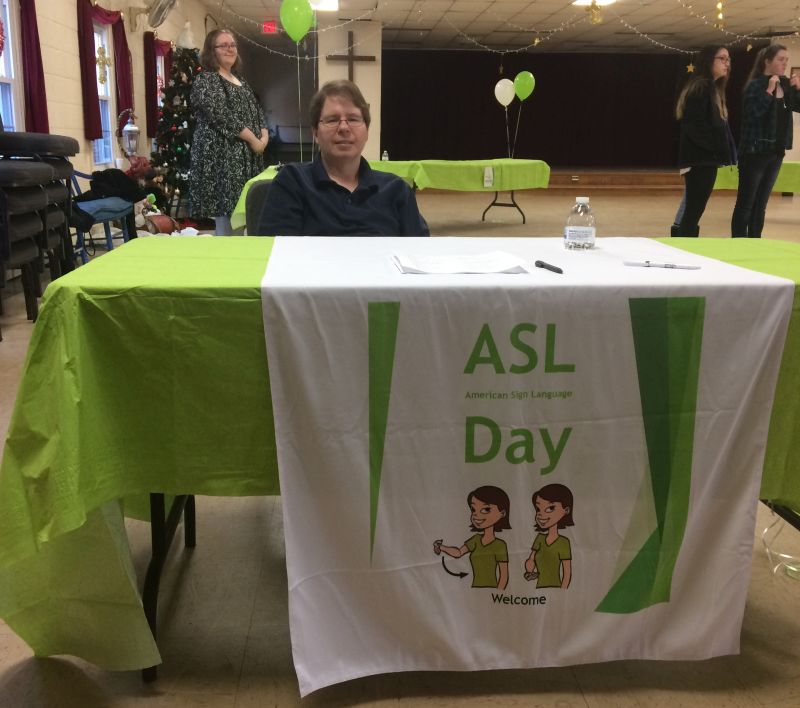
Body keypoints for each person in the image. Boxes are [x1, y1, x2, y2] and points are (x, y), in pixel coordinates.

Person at [256, 80, 428, 236]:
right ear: (315, 132)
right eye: (332, 120)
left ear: (367, 131)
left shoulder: (397, 190)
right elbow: (277, 257)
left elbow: (419, 255)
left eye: (353, 119)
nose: (344, 128)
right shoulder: (292, 182)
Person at [189, 29, 268, 235]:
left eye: (232, 45)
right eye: (223, 45)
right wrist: (253, 140)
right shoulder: (207, 80)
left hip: (247, 157)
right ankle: (227, 260)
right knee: (229, 219)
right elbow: (222, 116)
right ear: (211, 50)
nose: (229, 49)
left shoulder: (239, 79)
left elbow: (257, 111)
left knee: (245, 213)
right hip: (223, 159)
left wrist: (264, 136)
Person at [731, 44, 800, 238]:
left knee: (761, 203)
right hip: (755, 151)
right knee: (746, 202)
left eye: (786, 60)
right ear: (767, 61)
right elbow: (753, 114)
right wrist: (769, 91)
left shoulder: (785, 85)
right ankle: (737, 242)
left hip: (776, 151)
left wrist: (798, 89)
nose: (784, 64)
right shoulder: (755, 85)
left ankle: (755, 241)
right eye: (780, 59)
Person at [670, 45, 735, 238]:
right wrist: (715, 150)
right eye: (722, 59)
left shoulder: (712, 88)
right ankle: (684, 247)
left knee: (692, 208)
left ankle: (683, 243)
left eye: (728, 59)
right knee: (694, 210)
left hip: (704, 159)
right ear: (709, 61)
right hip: (700, 159)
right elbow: (694, 127)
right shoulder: (702, 87)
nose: (727, 63)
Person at [433, 485, 510, 590]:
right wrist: (441, 547)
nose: (476, 515)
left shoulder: (500, 545)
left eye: (486, 509)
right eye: (473, 509)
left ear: (502, 513)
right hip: (475, 591)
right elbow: (459, 553)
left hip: (492, 592)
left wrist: (499, 595)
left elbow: (504, 576)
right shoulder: (475, 540)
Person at [524, 484, 574, 590]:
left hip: (556, 589)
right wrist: (531, 570)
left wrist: (563, 592)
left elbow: (567, 573)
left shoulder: (564, 542)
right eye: (538, 509)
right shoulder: (540, 538)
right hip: (538, 591)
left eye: (550, 508)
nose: (541, 514)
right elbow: (531, 560)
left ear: (566, 510)